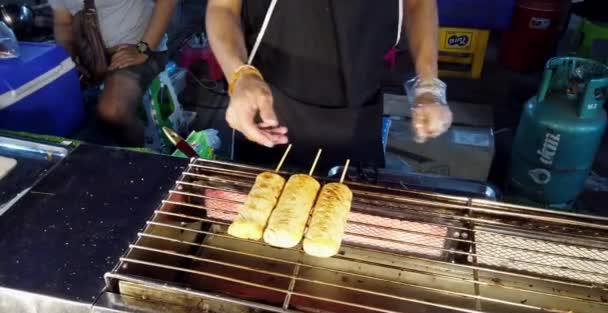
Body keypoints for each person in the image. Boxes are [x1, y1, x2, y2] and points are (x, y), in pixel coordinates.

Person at [207, 0, 453, 171]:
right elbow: (222, 7)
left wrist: (429, 85)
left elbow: (419, 4)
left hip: (358, 112)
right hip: (269, 108)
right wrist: (240, 76)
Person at [48, 0, 177, 145]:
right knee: (50, 104)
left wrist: (143, 48)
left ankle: (140, 157)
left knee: (113, 110)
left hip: (139, 49)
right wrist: (68, 60)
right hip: (91, 56)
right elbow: (63, 22)